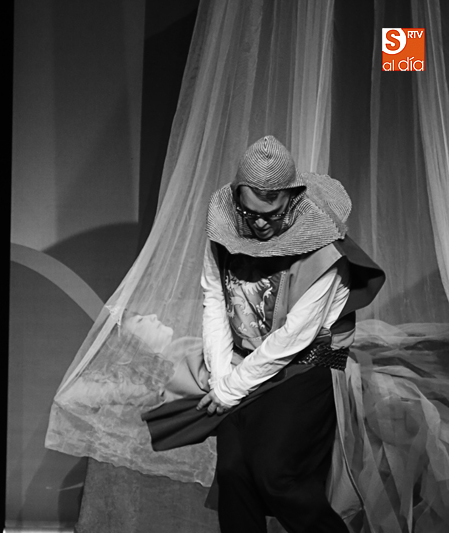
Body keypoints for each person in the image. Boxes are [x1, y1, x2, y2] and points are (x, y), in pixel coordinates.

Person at [144, 135, 385, 532]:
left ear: (291, 200)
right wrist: (221, 375)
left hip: (305, 366)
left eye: (269, 215)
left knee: (277, 476)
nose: (257, 223)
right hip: (243, 365)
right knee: (233, 474)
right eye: (248, 212)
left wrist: (231, 388)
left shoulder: (326, 256)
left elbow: (295, 336)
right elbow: (214, 300)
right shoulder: (224, 237)